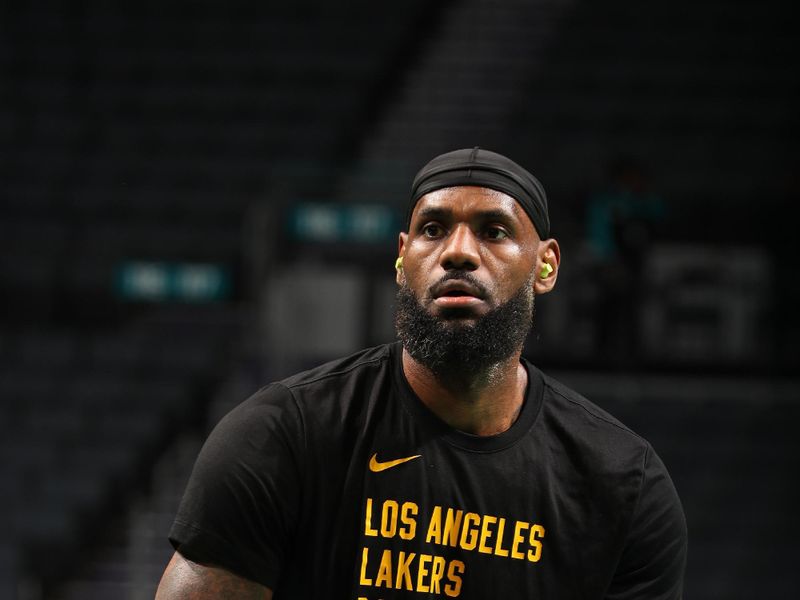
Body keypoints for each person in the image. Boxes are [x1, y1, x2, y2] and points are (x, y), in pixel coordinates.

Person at [155, 147, 687, 599]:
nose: (457, 252)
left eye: (494, 231)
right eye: (432, 229)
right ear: (403, 257)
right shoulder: (281, 435)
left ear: (545, 266)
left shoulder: (623, 485)